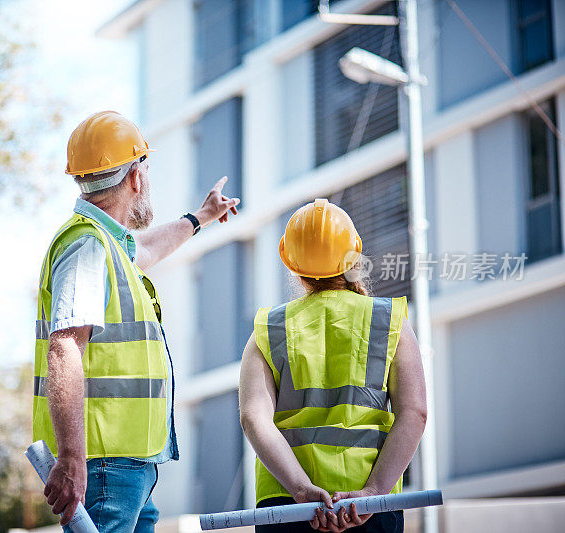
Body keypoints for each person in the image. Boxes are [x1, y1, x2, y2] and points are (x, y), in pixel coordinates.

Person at [32, 110, 240, 532]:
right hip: (104, 465)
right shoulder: (88, 245)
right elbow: (65, 346)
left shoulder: (108, 244)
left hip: (129, 465)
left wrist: (200, 218)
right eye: (145, 165)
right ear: (134, 178)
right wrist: (73, 458)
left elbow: (145, 249)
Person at [238, 199, 427, 533]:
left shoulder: (268, 328)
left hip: (287, 506)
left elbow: (254, 418)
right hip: (369, 505)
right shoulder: (389, 321)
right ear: (353, 257)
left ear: (291, 263)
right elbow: (415, 413)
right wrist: (374, 491)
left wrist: (300, 489)